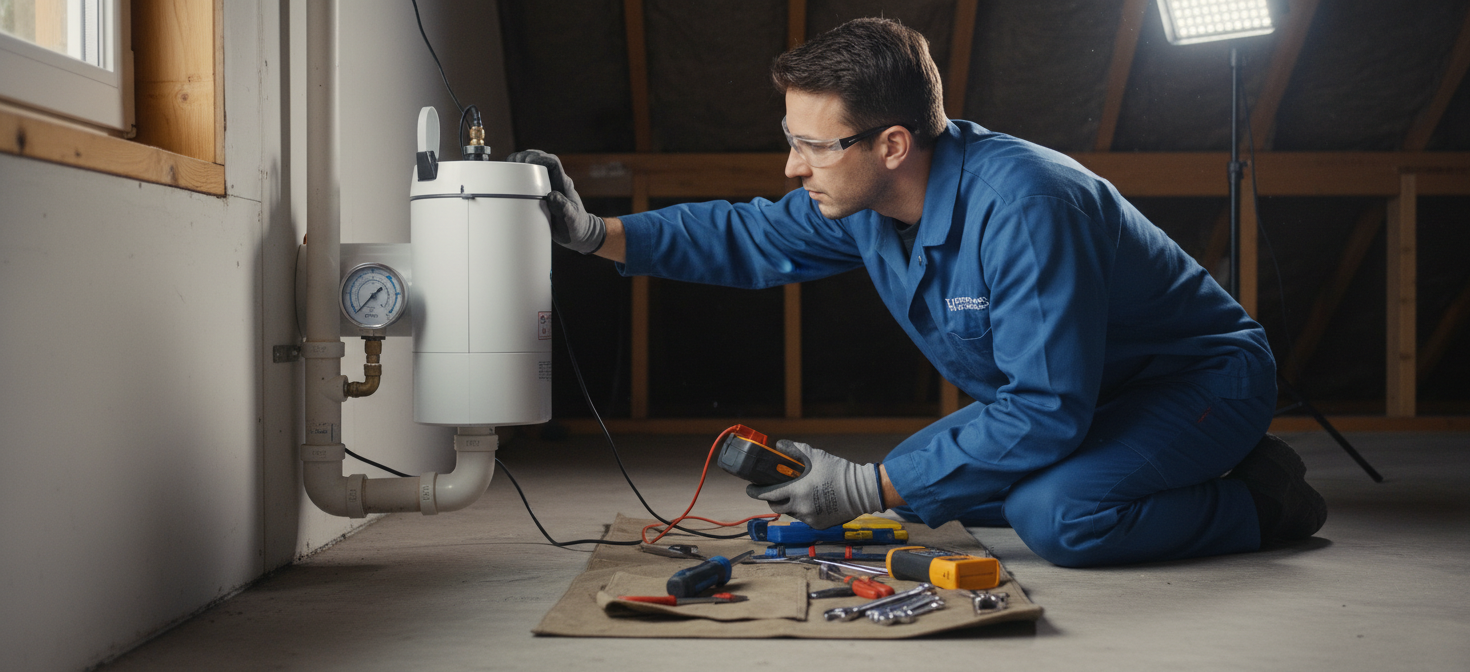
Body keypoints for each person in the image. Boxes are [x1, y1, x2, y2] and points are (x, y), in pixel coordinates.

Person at [511, 17, 1325, 568]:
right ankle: (1156, 470)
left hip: (1197, 383)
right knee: (953, 484)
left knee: (1058, 518)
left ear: (892, 143)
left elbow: (1043, 408)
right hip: (1091, 395)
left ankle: (1264, 497)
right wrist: (596, 234)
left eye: (811, 147)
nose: (794, 168)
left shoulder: (1027, 206)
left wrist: (868, 489)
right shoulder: (865, 200)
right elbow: (751, 233)